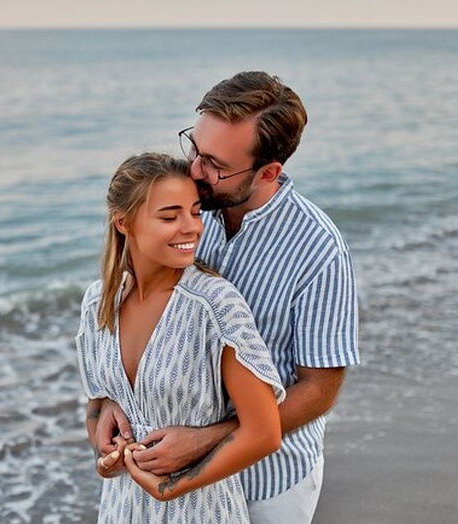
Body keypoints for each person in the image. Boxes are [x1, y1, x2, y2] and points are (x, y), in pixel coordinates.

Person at [90, 71, 360, 523]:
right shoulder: (190, 209)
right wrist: (110, 404)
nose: (194, 171)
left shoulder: (319, 250)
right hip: (174, 482)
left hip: (267, 482)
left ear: (268, 171)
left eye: (214, 163)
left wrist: (210, 437)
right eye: (193, 147)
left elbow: (318, 389)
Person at [76, 152, 286, 523]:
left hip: (201, 509)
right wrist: (104, 453)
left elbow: (265, 432)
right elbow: (99, 404)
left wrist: (172, 487)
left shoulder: (215, 305)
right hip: (122, 508)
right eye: (170, 216)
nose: (191, 227)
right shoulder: (99, 302)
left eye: (194, 211)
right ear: (123, 223)